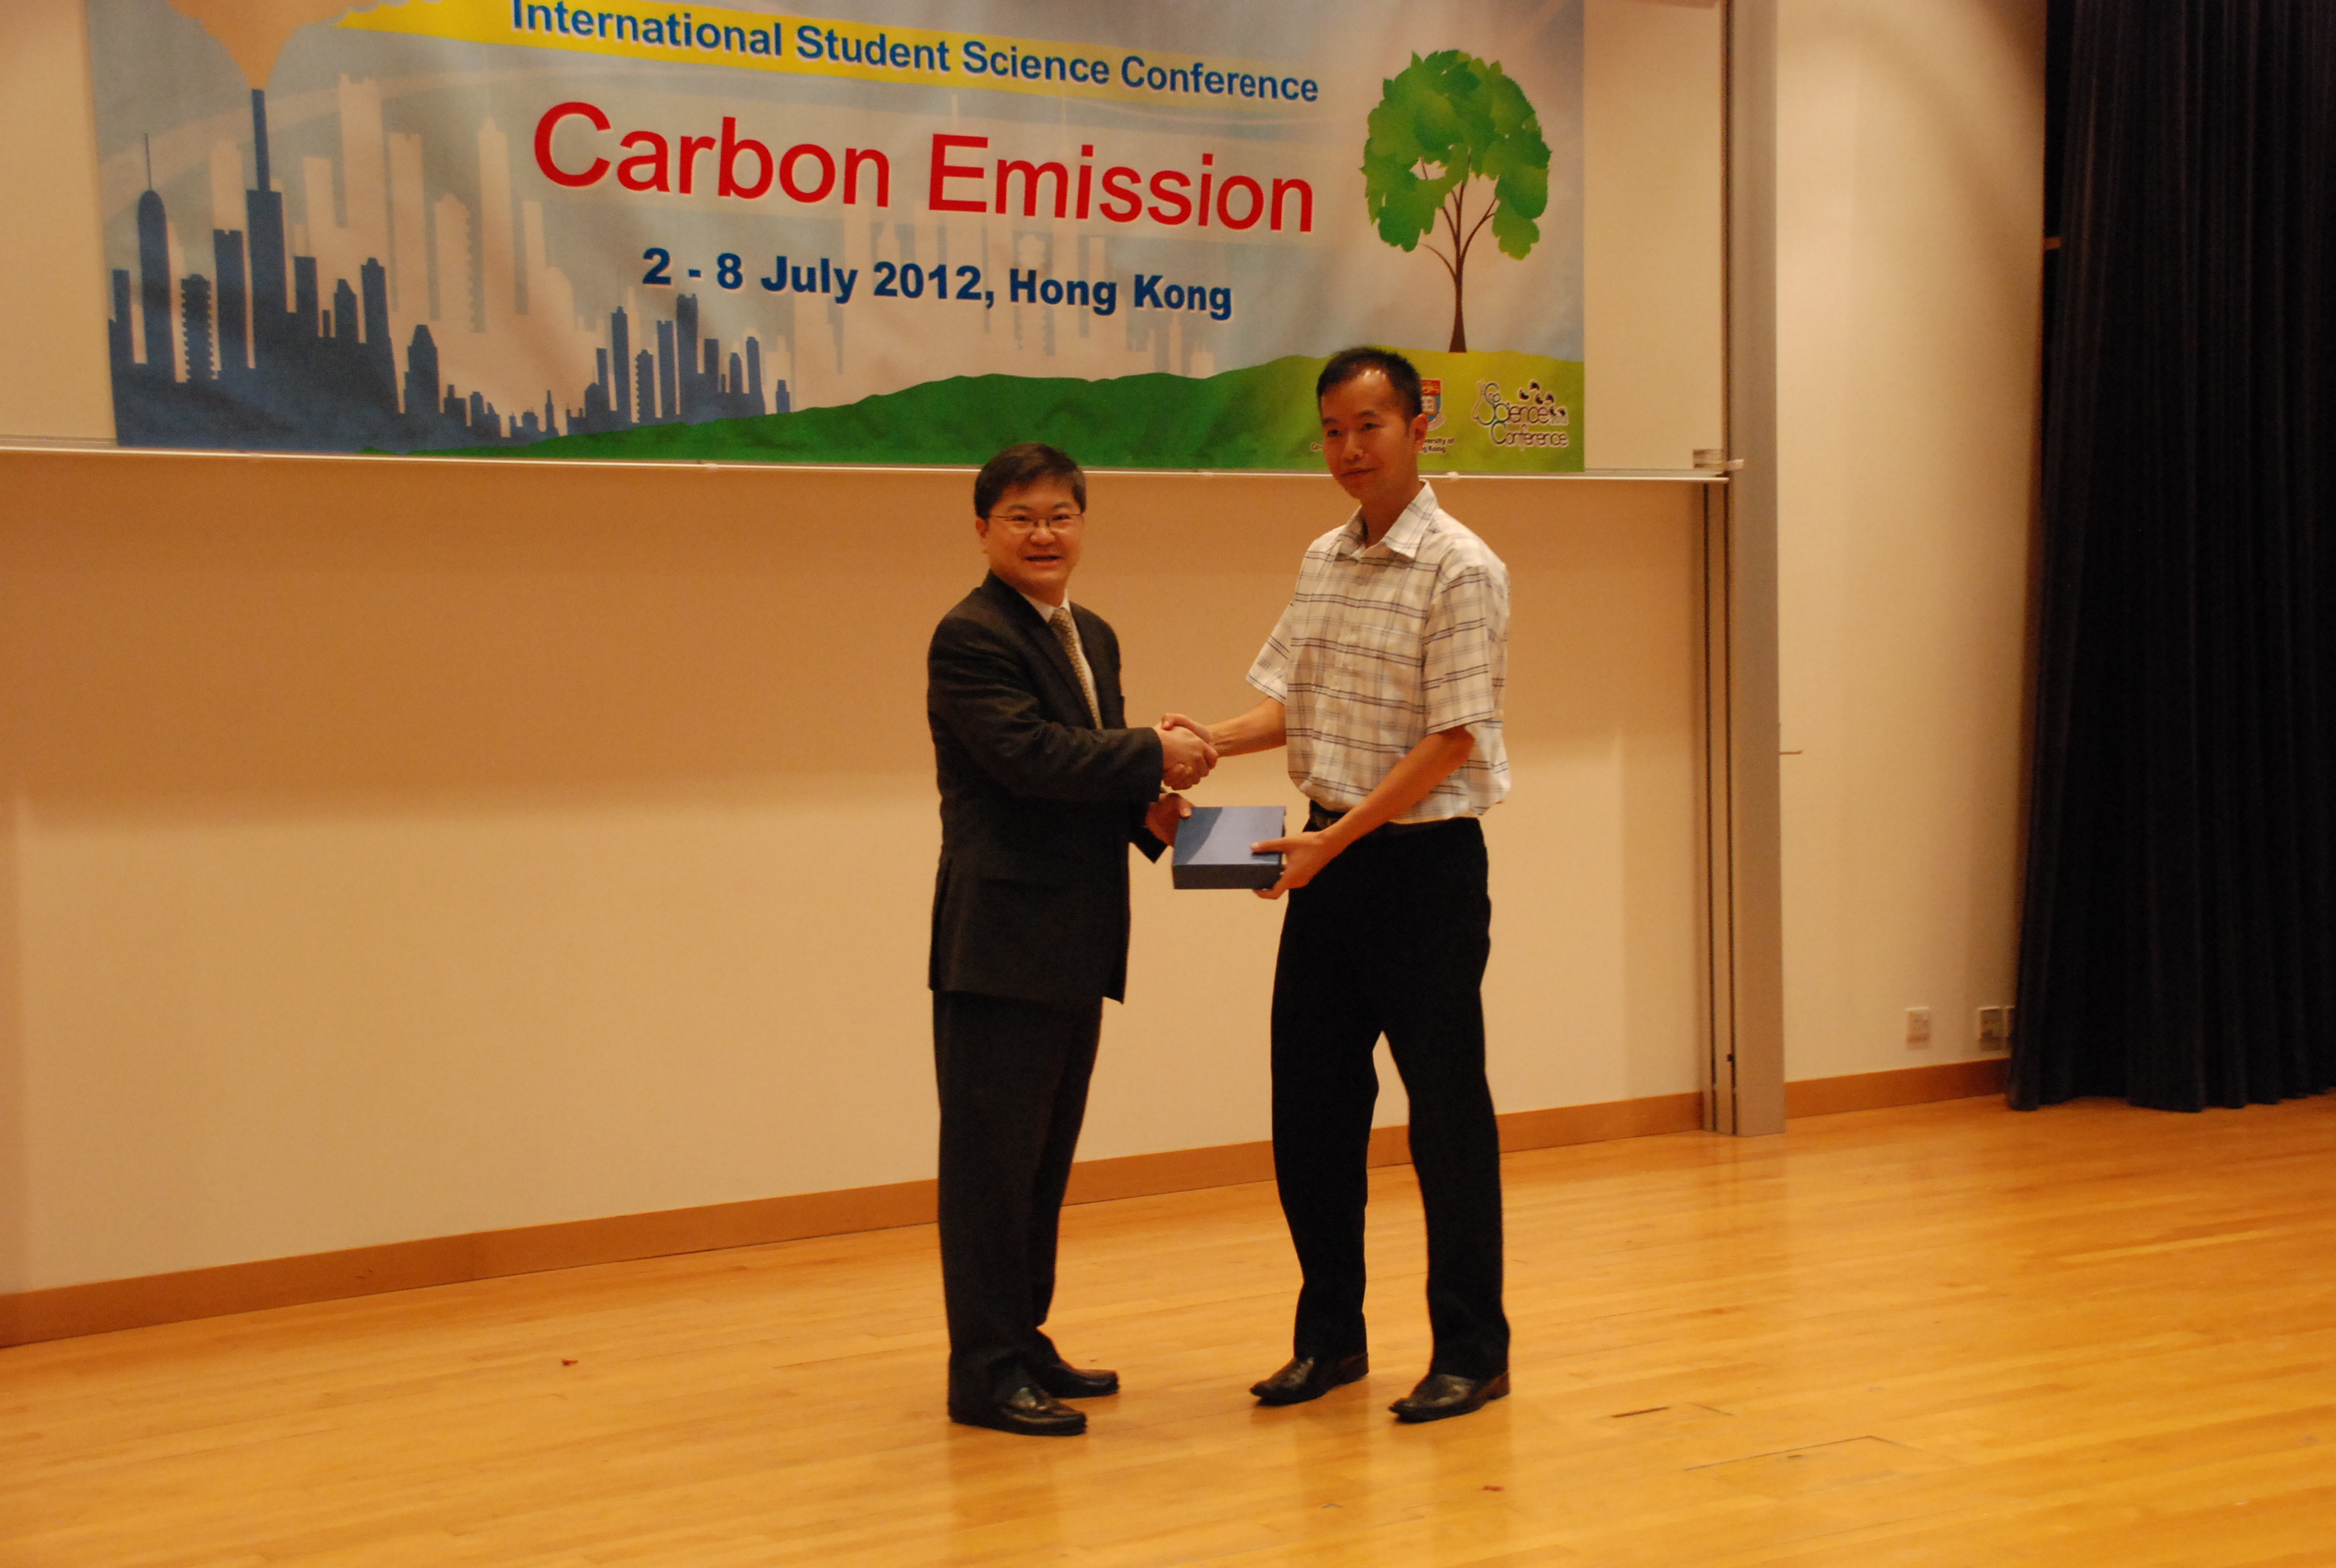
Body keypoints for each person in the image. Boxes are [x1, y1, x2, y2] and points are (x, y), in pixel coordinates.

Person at [1166, 348, 1512, 1424]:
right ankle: (1330, 1342)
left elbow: (1452, 740)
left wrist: (1338, 841)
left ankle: (1472, 1351)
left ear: (1418, 426)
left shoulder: (1462, 567)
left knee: (1444, 1117)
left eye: (1369, 425)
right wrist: (1196, 743)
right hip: (1328, 856)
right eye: (1331, 430)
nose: (1349, 448)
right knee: (1311, 1112)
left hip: (1421, 869)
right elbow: (1296, 705)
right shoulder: (1324, 557)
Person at [926, 441, 1213, 1437]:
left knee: (1043, 1160)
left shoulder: (1091, 632)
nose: (1042, 534)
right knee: (990, 1168)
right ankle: (984, 1371)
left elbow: (1087, 776)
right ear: (983, 531)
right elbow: (1029, 757)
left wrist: (1149, 814)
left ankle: (1023, 1338)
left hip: (1075, 938)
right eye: (1020, 517)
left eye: (1059, 515)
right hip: (1000, 944)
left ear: (1082, 525)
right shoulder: (970, 636)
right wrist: (1153, 752)